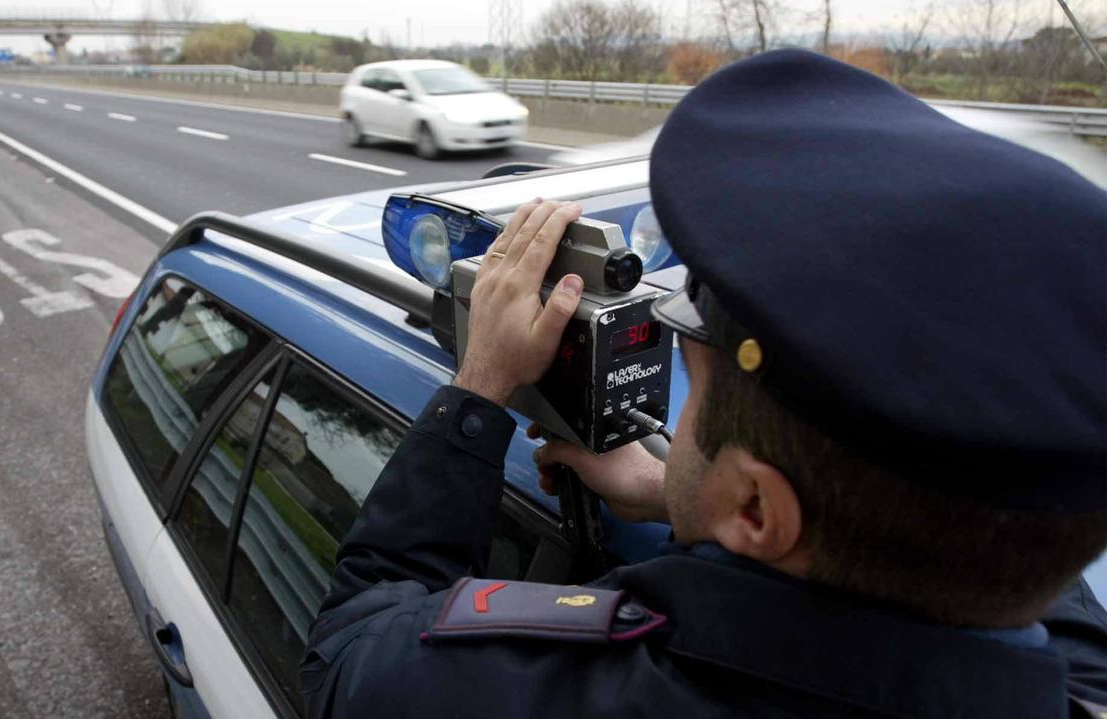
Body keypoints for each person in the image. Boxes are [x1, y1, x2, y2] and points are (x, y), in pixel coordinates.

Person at [302, 49, 1107, 718]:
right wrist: (687, 491)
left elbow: (345, 648)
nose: (674, 430)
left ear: (759, 508)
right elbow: (1005, 506)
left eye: (691, 412)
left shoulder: (556, 693)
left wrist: (479, 384)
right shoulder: (1075, 681)